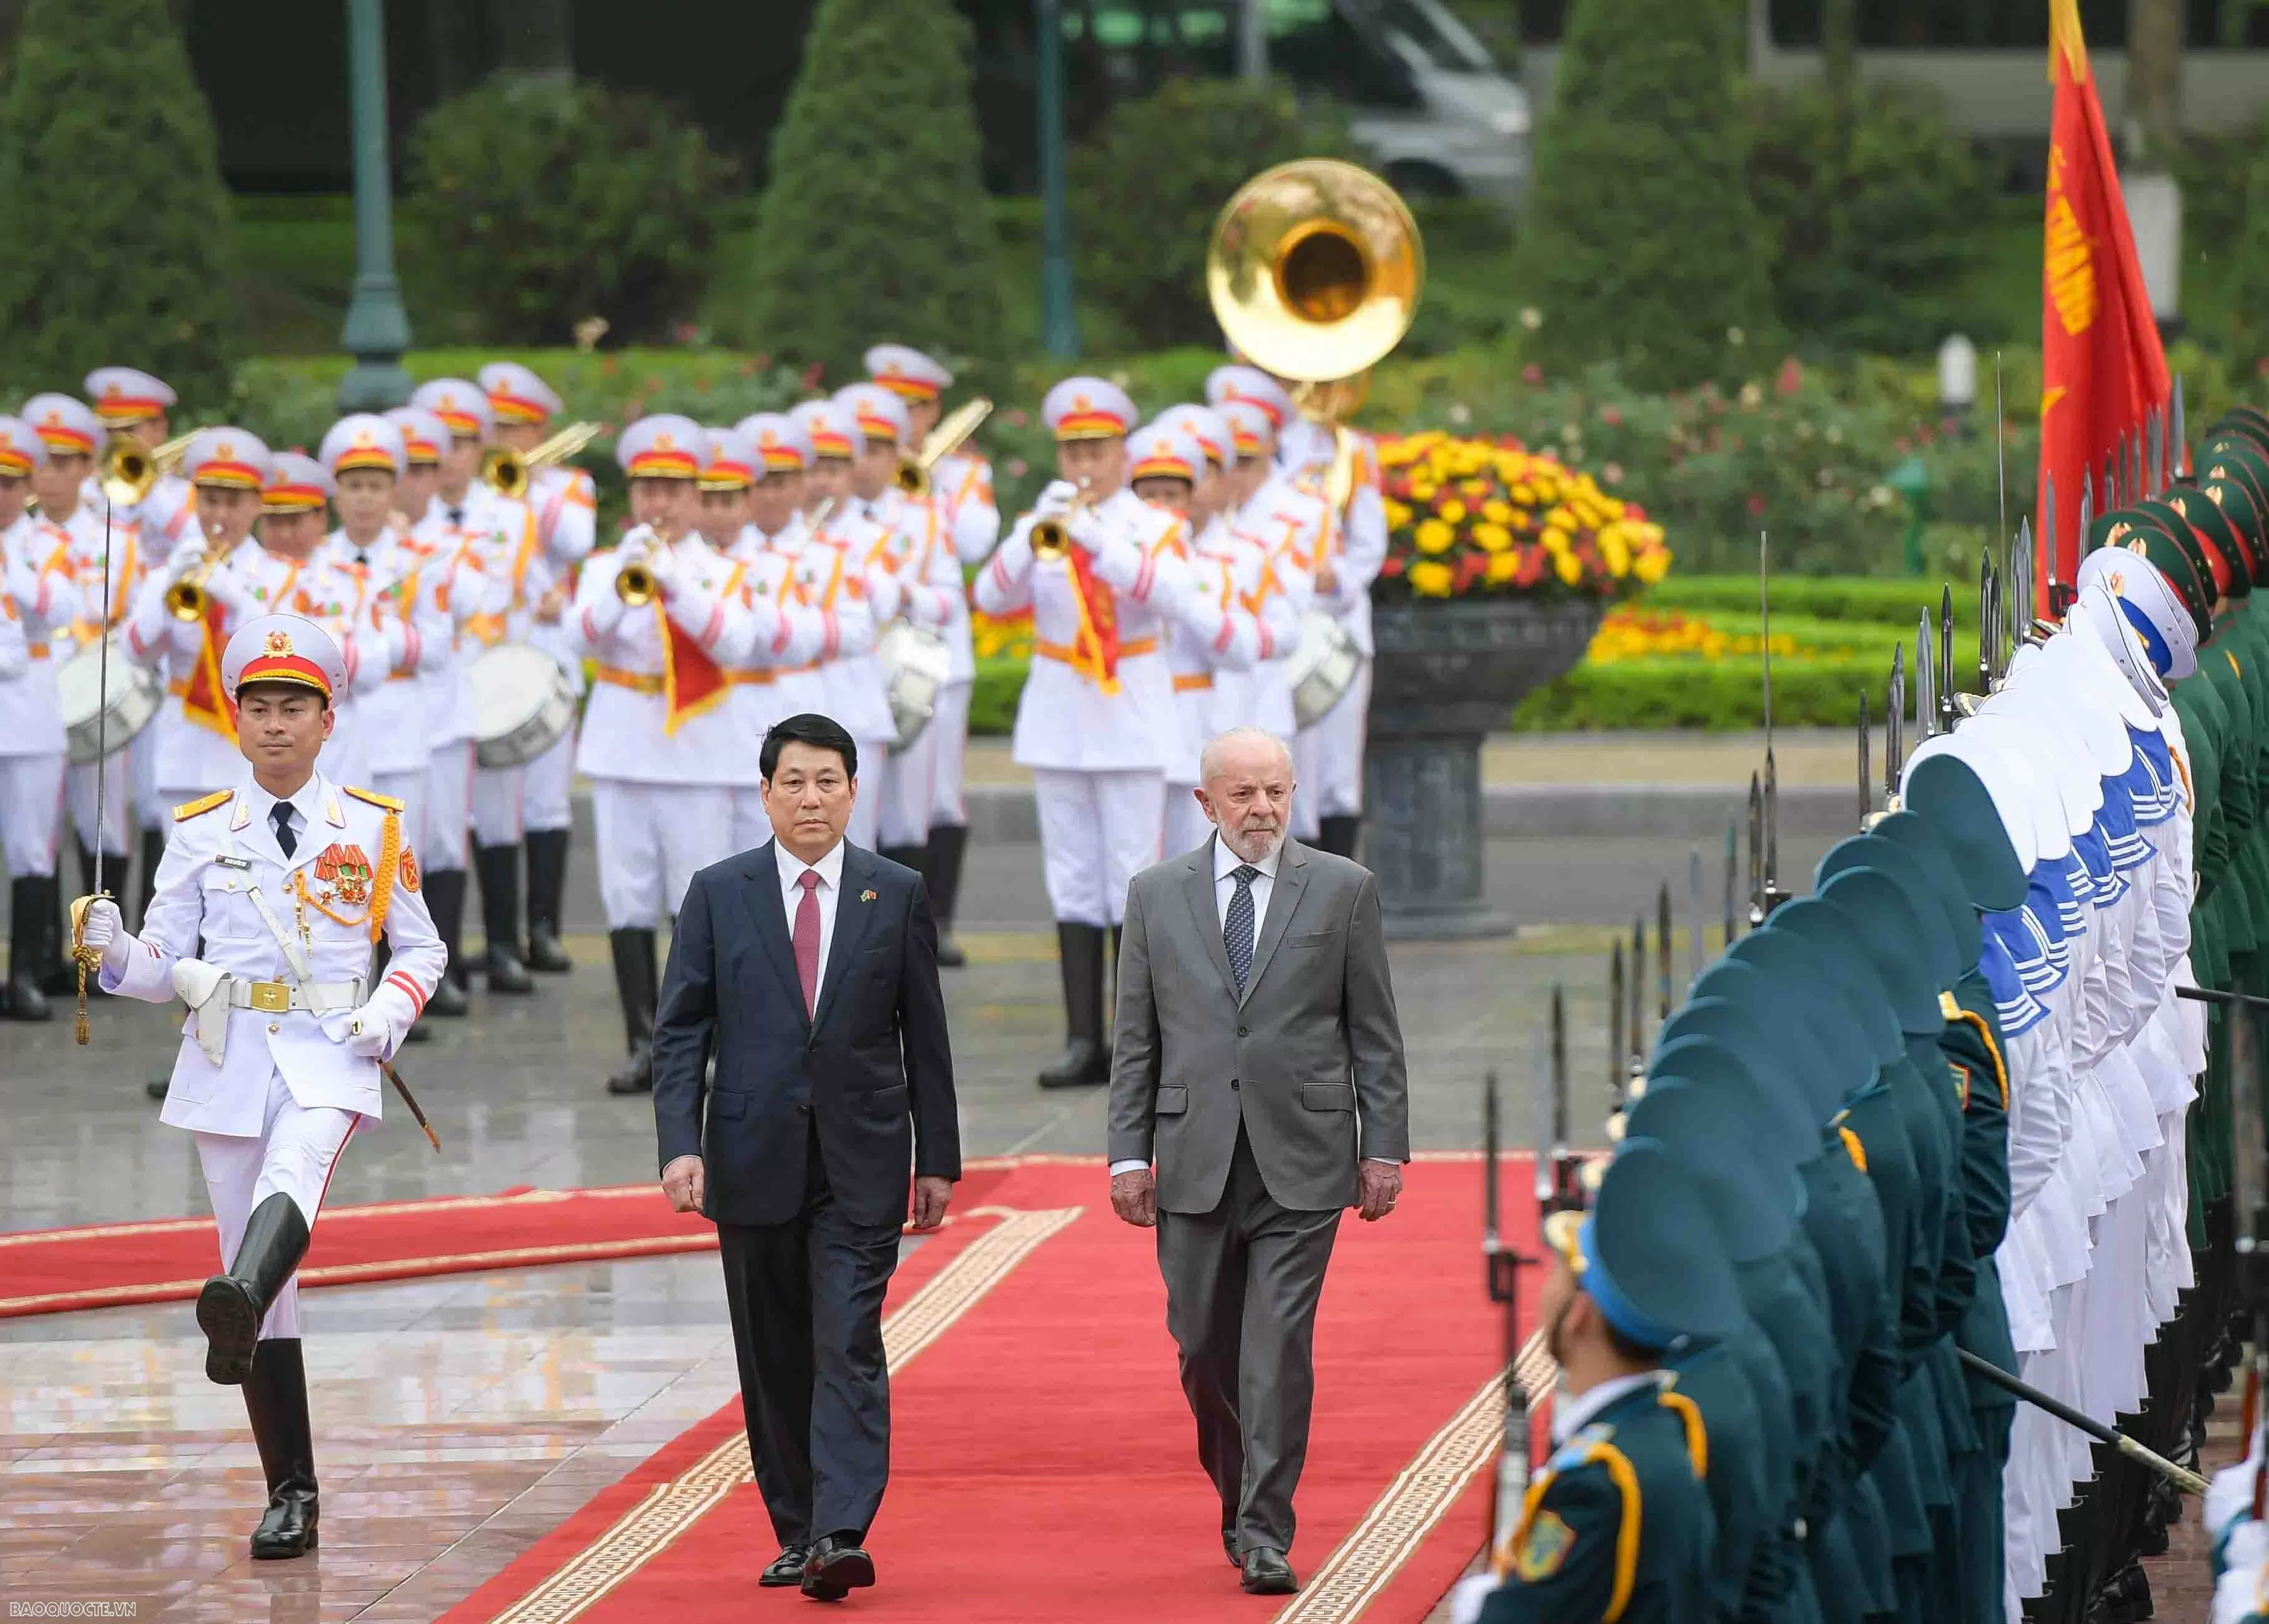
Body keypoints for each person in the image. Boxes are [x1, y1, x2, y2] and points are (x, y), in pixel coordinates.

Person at [73, 613, 444, 1561]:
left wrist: (388, 1014)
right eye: (259, 708)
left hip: (332, 1051)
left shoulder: (372, 824)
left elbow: (422, 947)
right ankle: (292, 1492)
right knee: (268, 1296)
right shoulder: (200, 830)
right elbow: (161, 964)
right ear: (236, 719)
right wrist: (111, 949)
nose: (276, 724)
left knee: (298, 1170)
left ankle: (236, 1290)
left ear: (328, 721)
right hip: (228, 1055)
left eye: (294, 708)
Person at [651, 712, 959, 1602]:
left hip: (863, 1158)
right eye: (794, 782)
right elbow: (681, 1032)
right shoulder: (720, 892)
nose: (812, 798)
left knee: (847, 1339)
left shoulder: (896, 892)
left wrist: (937, 1156)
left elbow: (925, 1035)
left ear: (855, 792)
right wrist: (679, 1145)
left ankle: (841, 1530)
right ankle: (797, 1528)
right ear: (766, 793)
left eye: (829, 781)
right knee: (773, 1352)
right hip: (751, 1156)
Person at [1105, 725, 1409, 1594]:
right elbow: (1137, 1039)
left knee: (1275, 1348)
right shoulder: (1155, 895)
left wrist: (1383, 1145)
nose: (1263, 809)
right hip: (1193, 1156)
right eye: (1243, 794)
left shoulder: (1343, 888)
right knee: (1203, 1349)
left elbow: (1375, 1031)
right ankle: (1240, 1498)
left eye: (1276, 791)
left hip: (1303, 1157)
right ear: (1206, 803)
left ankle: (1267, 1530)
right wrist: (1127, 1155)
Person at [973, 377, 1192, 1088]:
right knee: (1070, 881)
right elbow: (989, 596)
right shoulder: (1047, 522)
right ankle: (1081, 1040)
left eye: (1097, 450)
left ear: (1124, 453)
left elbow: (1175, 596)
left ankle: (1136, 1048)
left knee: (1132, 881)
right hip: (1060, 718)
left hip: (1129, 715)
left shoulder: (1155, 526)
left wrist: (1101, 543)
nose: (1085, 464)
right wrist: (1030, 536)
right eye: (1073, 451)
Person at [574, 415, 791, 1096]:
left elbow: (737, 644)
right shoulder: (605, 565)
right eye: (647, 489)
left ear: (697, 495)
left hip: (696, 753)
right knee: (626, 898)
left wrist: (673, 583)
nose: (659, 503)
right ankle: (644, 1043)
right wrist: (625, 581)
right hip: (622, 746)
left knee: (695, 902)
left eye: (672, 489)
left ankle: (705, 1044)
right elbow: (582, 636)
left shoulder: (723, 571)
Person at [1461, 1142, 1734, 1623]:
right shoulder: (1665, 1425)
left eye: (1559, 1274)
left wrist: (1480, 1600)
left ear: (1580, 1314)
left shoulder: (1596, 1483)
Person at [865, 343, 1000, 965]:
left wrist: (932, 480)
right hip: (872, 652)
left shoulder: (963, 474)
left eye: (913, 409)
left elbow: (974, 542)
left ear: (932, 411)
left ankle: (936, 920)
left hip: (939, 656)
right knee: (873, 792)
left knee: (938, 793)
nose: (902, 421)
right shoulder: (862, 472)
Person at [408, 376, 540, 996]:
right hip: (433, 684)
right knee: (438, 828)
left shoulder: (510, 515)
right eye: (439, 446)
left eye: (462, 443)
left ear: (481, 447)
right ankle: (442, 959)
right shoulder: (412, 520)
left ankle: (505, 943)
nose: (451, 457)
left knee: (498, 818)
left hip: (492, 678)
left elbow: (521, 593)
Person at [478, 362, 596, 975]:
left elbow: (577, 543)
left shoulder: (569, 486)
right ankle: (501, 942)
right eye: (496, 429)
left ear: (539, 430)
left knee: (548, 801)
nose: (503, 441)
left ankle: (544, 931)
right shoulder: (480, 495)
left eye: (514, 430)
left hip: (549, 658)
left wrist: (529, 485)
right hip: (494, 659)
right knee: (494, 808)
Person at [0, 415, 81, 1020]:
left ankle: (26, 974)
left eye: (9, 483)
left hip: (28, 710)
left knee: (32, 848)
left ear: (26, 485)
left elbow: (65, 608)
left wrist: (12, 570)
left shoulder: (46, 543)